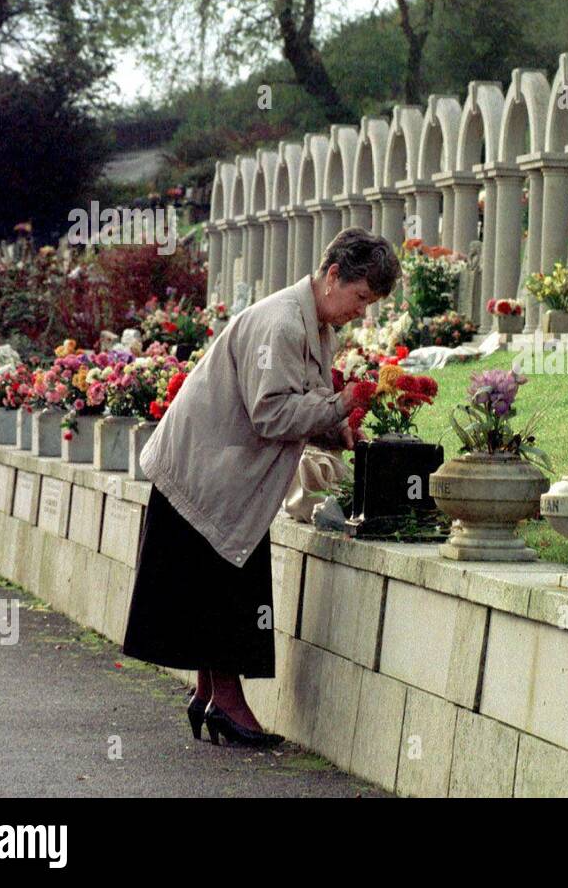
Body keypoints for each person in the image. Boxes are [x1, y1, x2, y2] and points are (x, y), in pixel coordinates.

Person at [122, 228, 400, 747]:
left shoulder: (311, 324)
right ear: (334, 274)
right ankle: (227, 703)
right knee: (224, 590)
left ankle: (210, 696)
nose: (361, 313)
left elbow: (299, 400)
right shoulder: (282, 323)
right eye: (361, 298)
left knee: (217, 587)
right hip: (206, 476)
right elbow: (270, 413)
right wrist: (341, 405)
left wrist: (337, 428)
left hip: (220, 475)